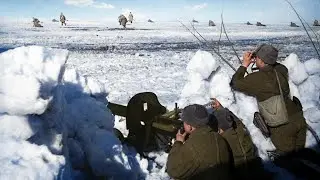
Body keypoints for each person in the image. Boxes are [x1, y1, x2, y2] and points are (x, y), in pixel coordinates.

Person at [230, 44, 307, 155]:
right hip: (299, 119)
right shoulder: (281, 70)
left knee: (290, 160)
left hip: (283, 127)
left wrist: (245, 64)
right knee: (302, 154)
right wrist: (262, 59)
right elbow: (274, 65)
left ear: (261, 61)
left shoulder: (257, 79)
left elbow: (235, 83)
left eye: (257, 57)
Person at [166, 104, 233, 180]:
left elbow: (173, 170)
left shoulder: (193, 145)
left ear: (189, 126)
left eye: (184, 122)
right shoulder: (218, 137)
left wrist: (178, 143)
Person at [210, 98, 271, 179]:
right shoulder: (239, 132)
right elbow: (238, 123)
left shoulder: (226, 141)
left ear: (220, 130)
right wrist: (220, 109)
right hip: (255, 170)